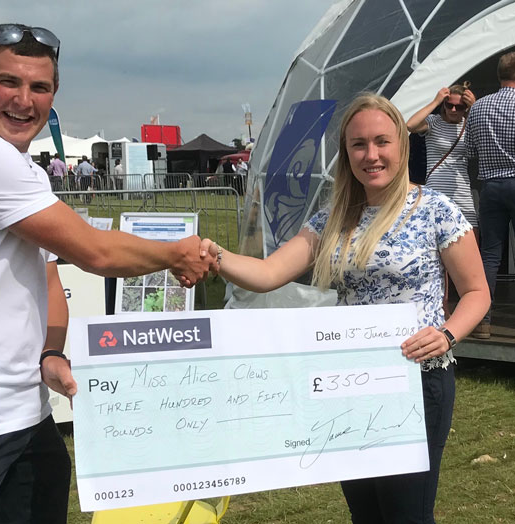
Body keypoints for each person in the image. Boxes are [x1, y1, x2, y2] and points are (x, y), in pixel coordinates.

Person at [0, 23, 212, 524]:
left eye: (39, 87)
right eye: (8, 82)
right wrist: (175, 254)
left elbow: (47, 275)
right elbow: (95, 251)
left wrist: (51, 351)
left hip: (24, 413)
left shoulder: (28, 171)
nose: (24, 101)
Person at [202, 94, 489, 523]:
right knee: (365, 514)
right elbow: (267, 273)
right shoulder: (331, 219)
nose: (371, 155)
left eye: (381, 141)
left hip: (416, 380)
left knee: (406, 515)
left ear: (401, 145)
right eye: (358, 144)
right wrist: (214, 255)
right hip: (350, 383)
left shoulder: (435, 210)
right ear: (346, 152)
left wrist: (447, 335)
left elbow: (477, 292)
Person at [407, 84, 478, 318]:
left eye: (460, 106)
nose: (454, 110)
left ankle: (470, 305)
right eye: (450, 105)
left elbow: (486, 139)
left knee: (469, 247)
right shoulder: (434, 123)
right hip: (437, 192)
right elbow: (410, 125)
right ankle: (443, 305)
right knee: (438, 252)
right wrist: (436, 101)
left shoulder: (469, 124)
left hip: (462, 192)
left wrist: (474, 108)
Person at [465, 51, 515, 340]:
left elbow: (470, 150)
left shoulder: (479, 107)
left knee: (490, 255)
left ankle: (482, 320)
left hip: (491, 187)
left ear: (498, 74)